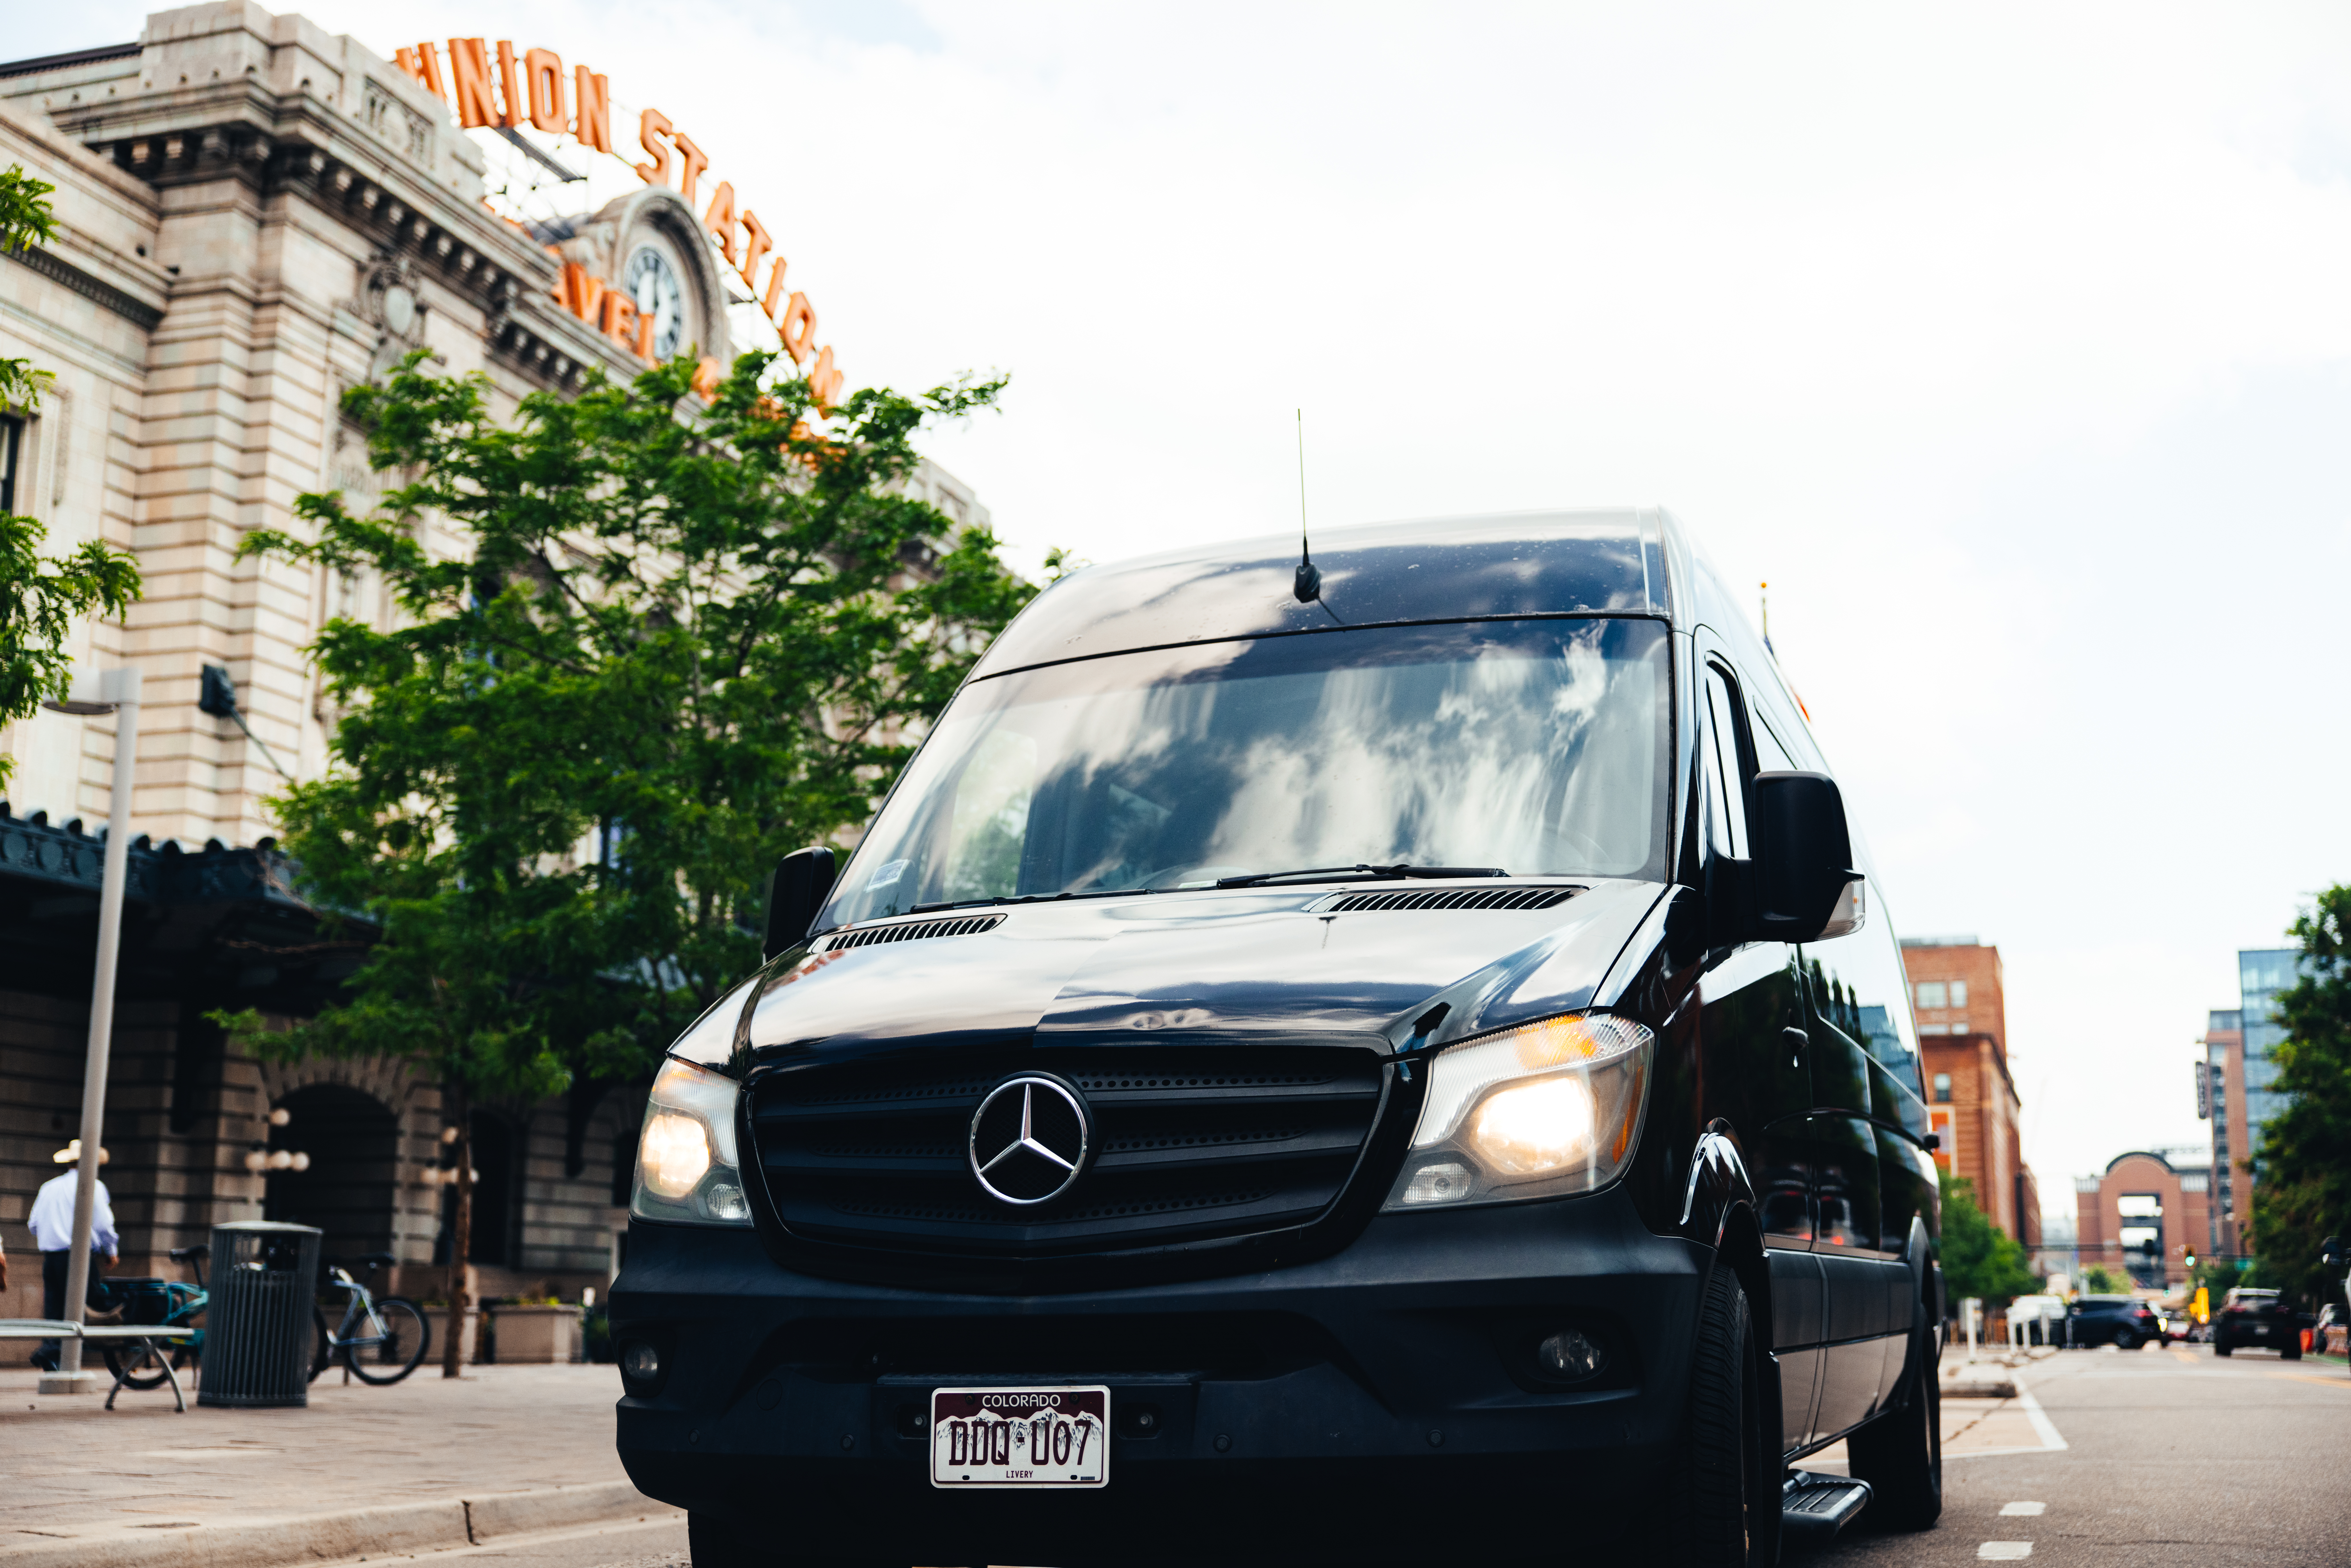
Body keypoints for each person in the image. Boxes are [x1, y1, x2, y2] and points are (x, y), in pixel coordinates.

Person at [27, 1140, 117, 1372]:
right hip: (77, 1257)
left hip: (51, 1257)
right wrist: (111, 1251)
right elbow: (104, 1224)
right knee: (96, 1301)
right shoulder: (93, 1186)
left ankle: (52, 1354)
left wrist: (54, 1233)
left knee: (55, 1309)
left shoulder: (49, 1187)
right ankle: (51, 1351)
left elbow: (34, 1224)